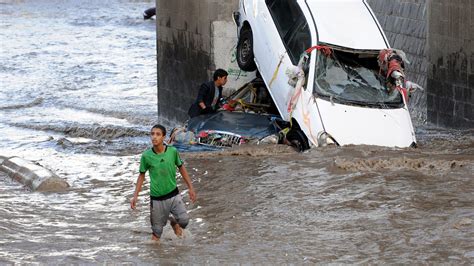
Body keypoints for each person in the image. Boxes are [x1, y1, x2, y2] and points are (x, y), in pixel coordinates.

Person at [130, 124, 196, 243]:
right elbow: (141, 175)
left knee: (184, 221)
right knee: (156, 235)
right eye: (152, 134)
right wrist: (135, 196)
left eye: (158, 134)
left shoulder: (172, 151)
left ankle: (173, 222)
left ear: (164, 137)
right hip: (157, 200)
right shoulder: (146, 156)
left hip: (173, 195)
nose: (154, 137)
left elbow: (181, 168)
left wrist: (190, 187)